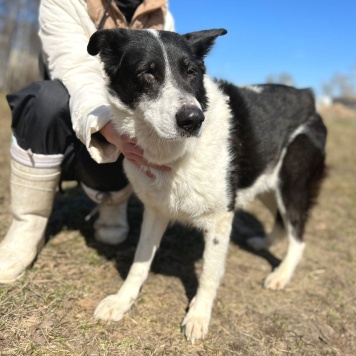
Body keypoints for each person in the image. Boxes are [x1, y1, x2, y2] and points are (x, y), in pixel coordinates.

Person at [0, 0, 175, 284]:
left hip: (126, 134)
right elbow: (78, 69)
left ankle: (111, 199)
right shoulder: (63, 2)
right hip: (69, 123)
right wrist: (109, 129)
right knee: (44, 100)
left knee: (139, 117)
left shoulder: (162, 15)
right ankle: (27, 223)